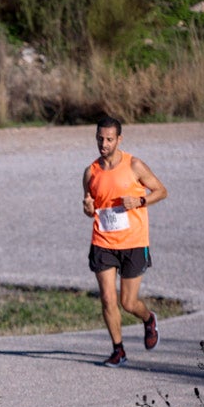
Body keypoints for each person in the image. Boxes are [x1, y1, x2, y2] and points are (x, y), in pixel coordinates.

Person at [82, 116, 168, 367]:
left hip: (133, 241)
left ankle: (148, 319)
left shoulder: (134, 165)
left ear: (119, 139)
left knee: (128, 302)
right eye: (100, 139)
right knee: (108, 299)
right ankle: (118, 350)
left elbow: (161, 191)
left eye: (109, 139)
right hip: (103, 241)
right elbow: (90, 206)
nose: (104, 144)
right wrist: (87, 208)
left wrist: (140, 201)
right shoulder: (90, 172)